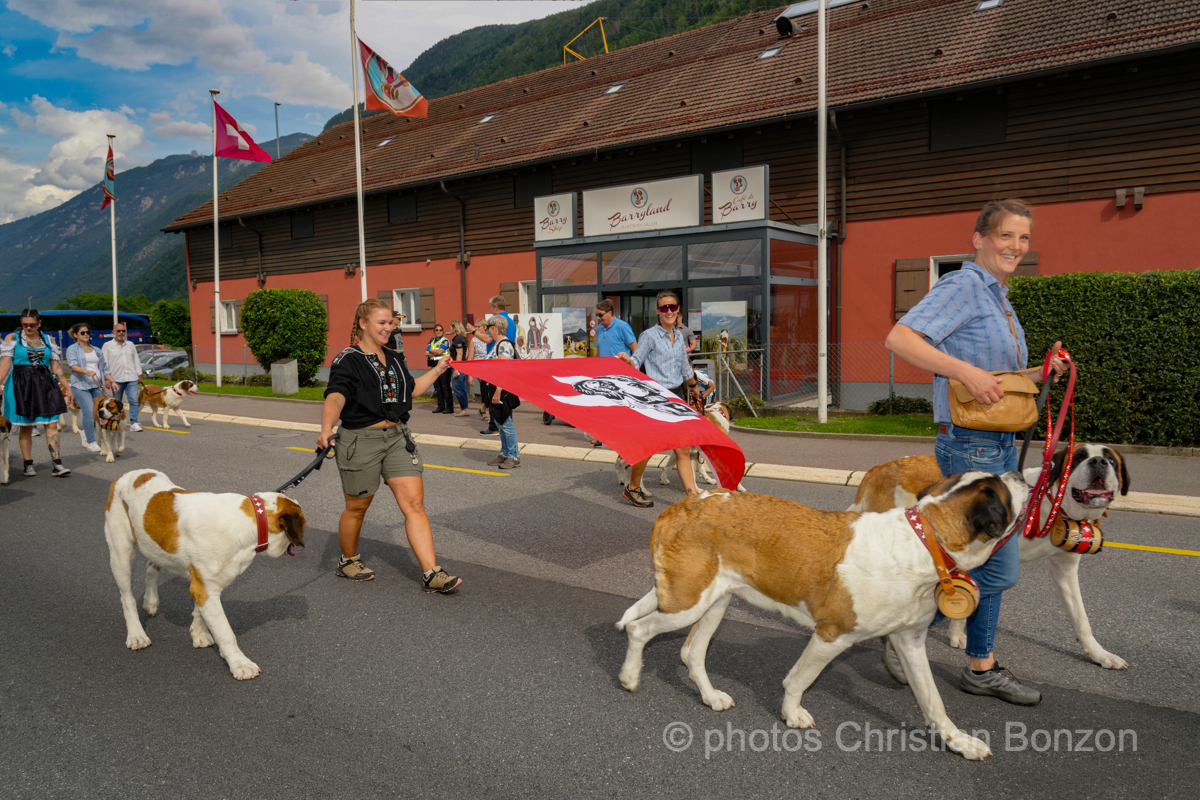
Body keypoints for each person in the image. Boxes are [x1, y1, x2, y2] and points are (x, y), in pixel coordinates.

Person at [884, 198, 1066, 706]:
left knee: (976, 562)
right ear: (980, 238)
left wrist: (1039, 374)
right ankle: (906, 630)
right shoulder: (963, 286)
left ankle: (977, 664)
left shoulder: (998, 297)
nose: (1016, 246)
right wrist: (962, 371)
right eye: (1006, 236)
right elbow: (899, 338)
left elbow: (999, 380)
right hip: (973, 445)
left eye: (1024, 238)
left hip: (998, 439)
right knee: (996, 566)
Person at [317, 298, 461, 592]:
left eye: (391, 323)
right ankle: (347, 560)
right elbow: (335, 396)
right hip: (360, 440)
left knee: (415, 505)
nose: (388, 328)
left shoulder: (394, 357)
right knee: (357, 508)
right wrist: (325, 428)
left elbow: (410, 390)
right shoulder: (348, 359)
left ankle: (432, 572)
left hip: (398, 438)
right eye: (382, 323)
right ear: (363, 324)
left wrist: (437, 370)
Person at [616, 290, 702, 508]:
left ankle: (692, 498)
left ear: (678, 309)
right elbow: (637, 360)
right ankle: (633, 488)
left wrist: (694, 388)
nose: (669, 312)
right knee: (649, 446)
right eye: (664, 308)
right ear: (658, 311)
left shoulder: (680, 336)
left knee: (682, 448)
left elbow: (684, 367)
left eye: (673, 307)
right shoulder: (649, 335)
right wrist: (628, 361)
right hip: (656, 397)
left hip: (677, 395)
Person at [0, 309, 73, 476]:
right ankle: (28, 463)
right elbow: (5, 365)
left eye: (32, 324)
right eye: (24, 324)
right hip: (21, 383)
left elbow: (55, 367)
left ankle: (57, 463)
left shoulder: (49, 340)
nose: (28, 328)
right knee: (26, 426)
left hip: (44, 382)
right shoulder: (12, 338)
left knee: (52, 423)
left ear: (39, 323)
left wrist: (67, 387)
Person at [65, 321, 110, 453]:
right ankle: (91, 441)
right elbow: (72, 365)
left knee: (100, 412)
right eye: (82, 333)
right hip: (80, 385)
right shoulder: (72, 349)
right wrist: (86, 372)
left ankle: (86, 433)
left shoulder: (96, 350)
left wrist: (112, 381)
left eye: (87, 332)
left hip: (96, 385)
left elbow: (105, 368)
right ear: (76, 335)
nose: (86, 335)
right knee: (89, 412)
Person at [483, 315, 520, 469]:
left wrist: (498, 391)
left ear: (495, 328)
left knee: (506, 423)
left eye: (488, 328)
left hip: (502, 390)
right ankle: (505, 453)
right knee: (499, 422)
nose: (487, 331)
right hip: (495, 389)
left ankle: (514, 456)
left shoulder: (504, 345)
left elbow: (504, 371)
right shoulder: (498, 344)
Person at [101, 321, 144, 432]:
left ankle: (134, 423)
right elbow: (104, 363)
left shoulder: (130, 345)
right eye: (118, 331)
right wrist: (106, 378)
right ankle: (116, 422)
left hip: (131, 378)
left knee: (134, 401)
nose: (121, 333)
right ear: (113, 332)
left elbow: (136, 360)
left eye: (123, 331)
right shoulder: (107, 346)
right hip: (116, 379)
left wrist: (139, 374)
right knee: (116, 402)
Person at [424, 323, 452, 413]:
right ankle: (441, 406)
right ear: (434, 331)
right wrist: (434, 352)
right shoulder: (432, 341)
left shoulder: (445, 341)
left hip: (443, 365)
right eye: (437, 330)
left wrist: (432, 351)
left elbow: (440, 351)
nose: (439, 331)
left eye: (440, 330)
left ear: (443, 331)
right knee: (437, 387)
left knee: (445, 386)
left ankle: (449, 407)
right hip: (434, 365)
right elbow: (426, 353)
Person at [448, 320, 471, 416]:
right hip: (461, 365)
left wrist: (456, 369)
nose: (449, 329)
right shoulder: (462, 338)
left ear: (454, 328)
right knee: (462, 388)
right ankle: (464, 409)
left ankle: (464, 409)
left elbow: (460, 354)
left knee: (457, 388)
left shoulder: (457, 339)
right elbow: (466, 352)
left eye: (451, 327)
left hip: (459, 366)